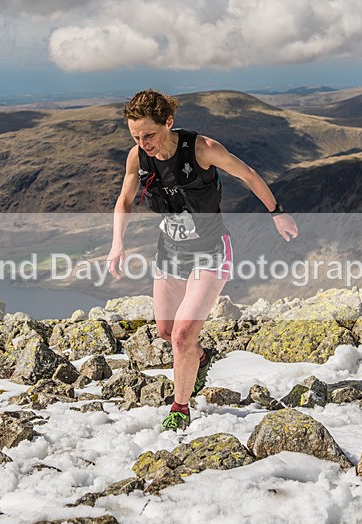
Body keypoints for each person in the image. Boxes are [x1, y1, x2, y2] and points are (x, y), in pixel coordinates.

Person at [107, 89, 298, 431]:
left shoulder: (202, 149)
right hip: (170, 252)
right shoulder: (137, 157)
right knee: (166, 331)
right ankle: (201, 357)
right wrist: (117, 244)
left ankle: (179, 409)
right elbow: (125, 201)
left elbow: (248, 174)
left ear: (169, 121)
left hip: (211, 250)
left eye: (149, 134)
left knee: (181, 336)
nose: (143, 142)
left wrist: (277, 213)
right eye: (136, 135)